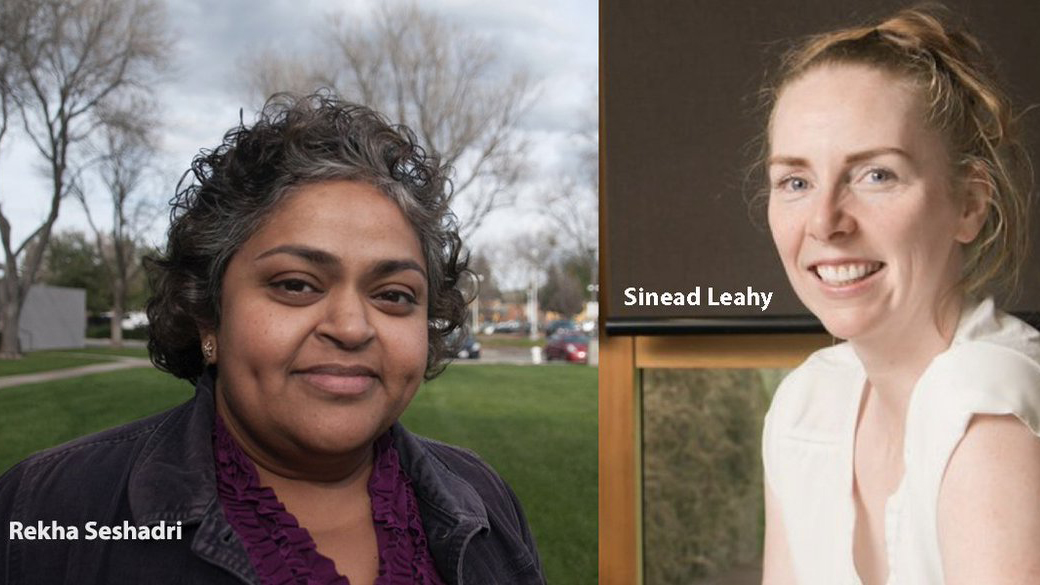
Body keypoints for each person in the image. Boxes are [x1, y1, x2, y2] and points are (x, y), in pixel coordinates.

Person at [0, 93, 545, 585]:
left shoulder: (484, 499)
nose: (352, 327)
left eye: (395, 295)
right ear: (209, 314)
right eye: (295, 285)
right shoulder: (48, 510)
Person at [759, 7, 1040, 585]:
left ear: (969, 205)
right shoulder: (807, 401)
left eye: (876, 175)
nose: (824, 221)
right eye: (796, 181)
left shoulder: (984, 410)